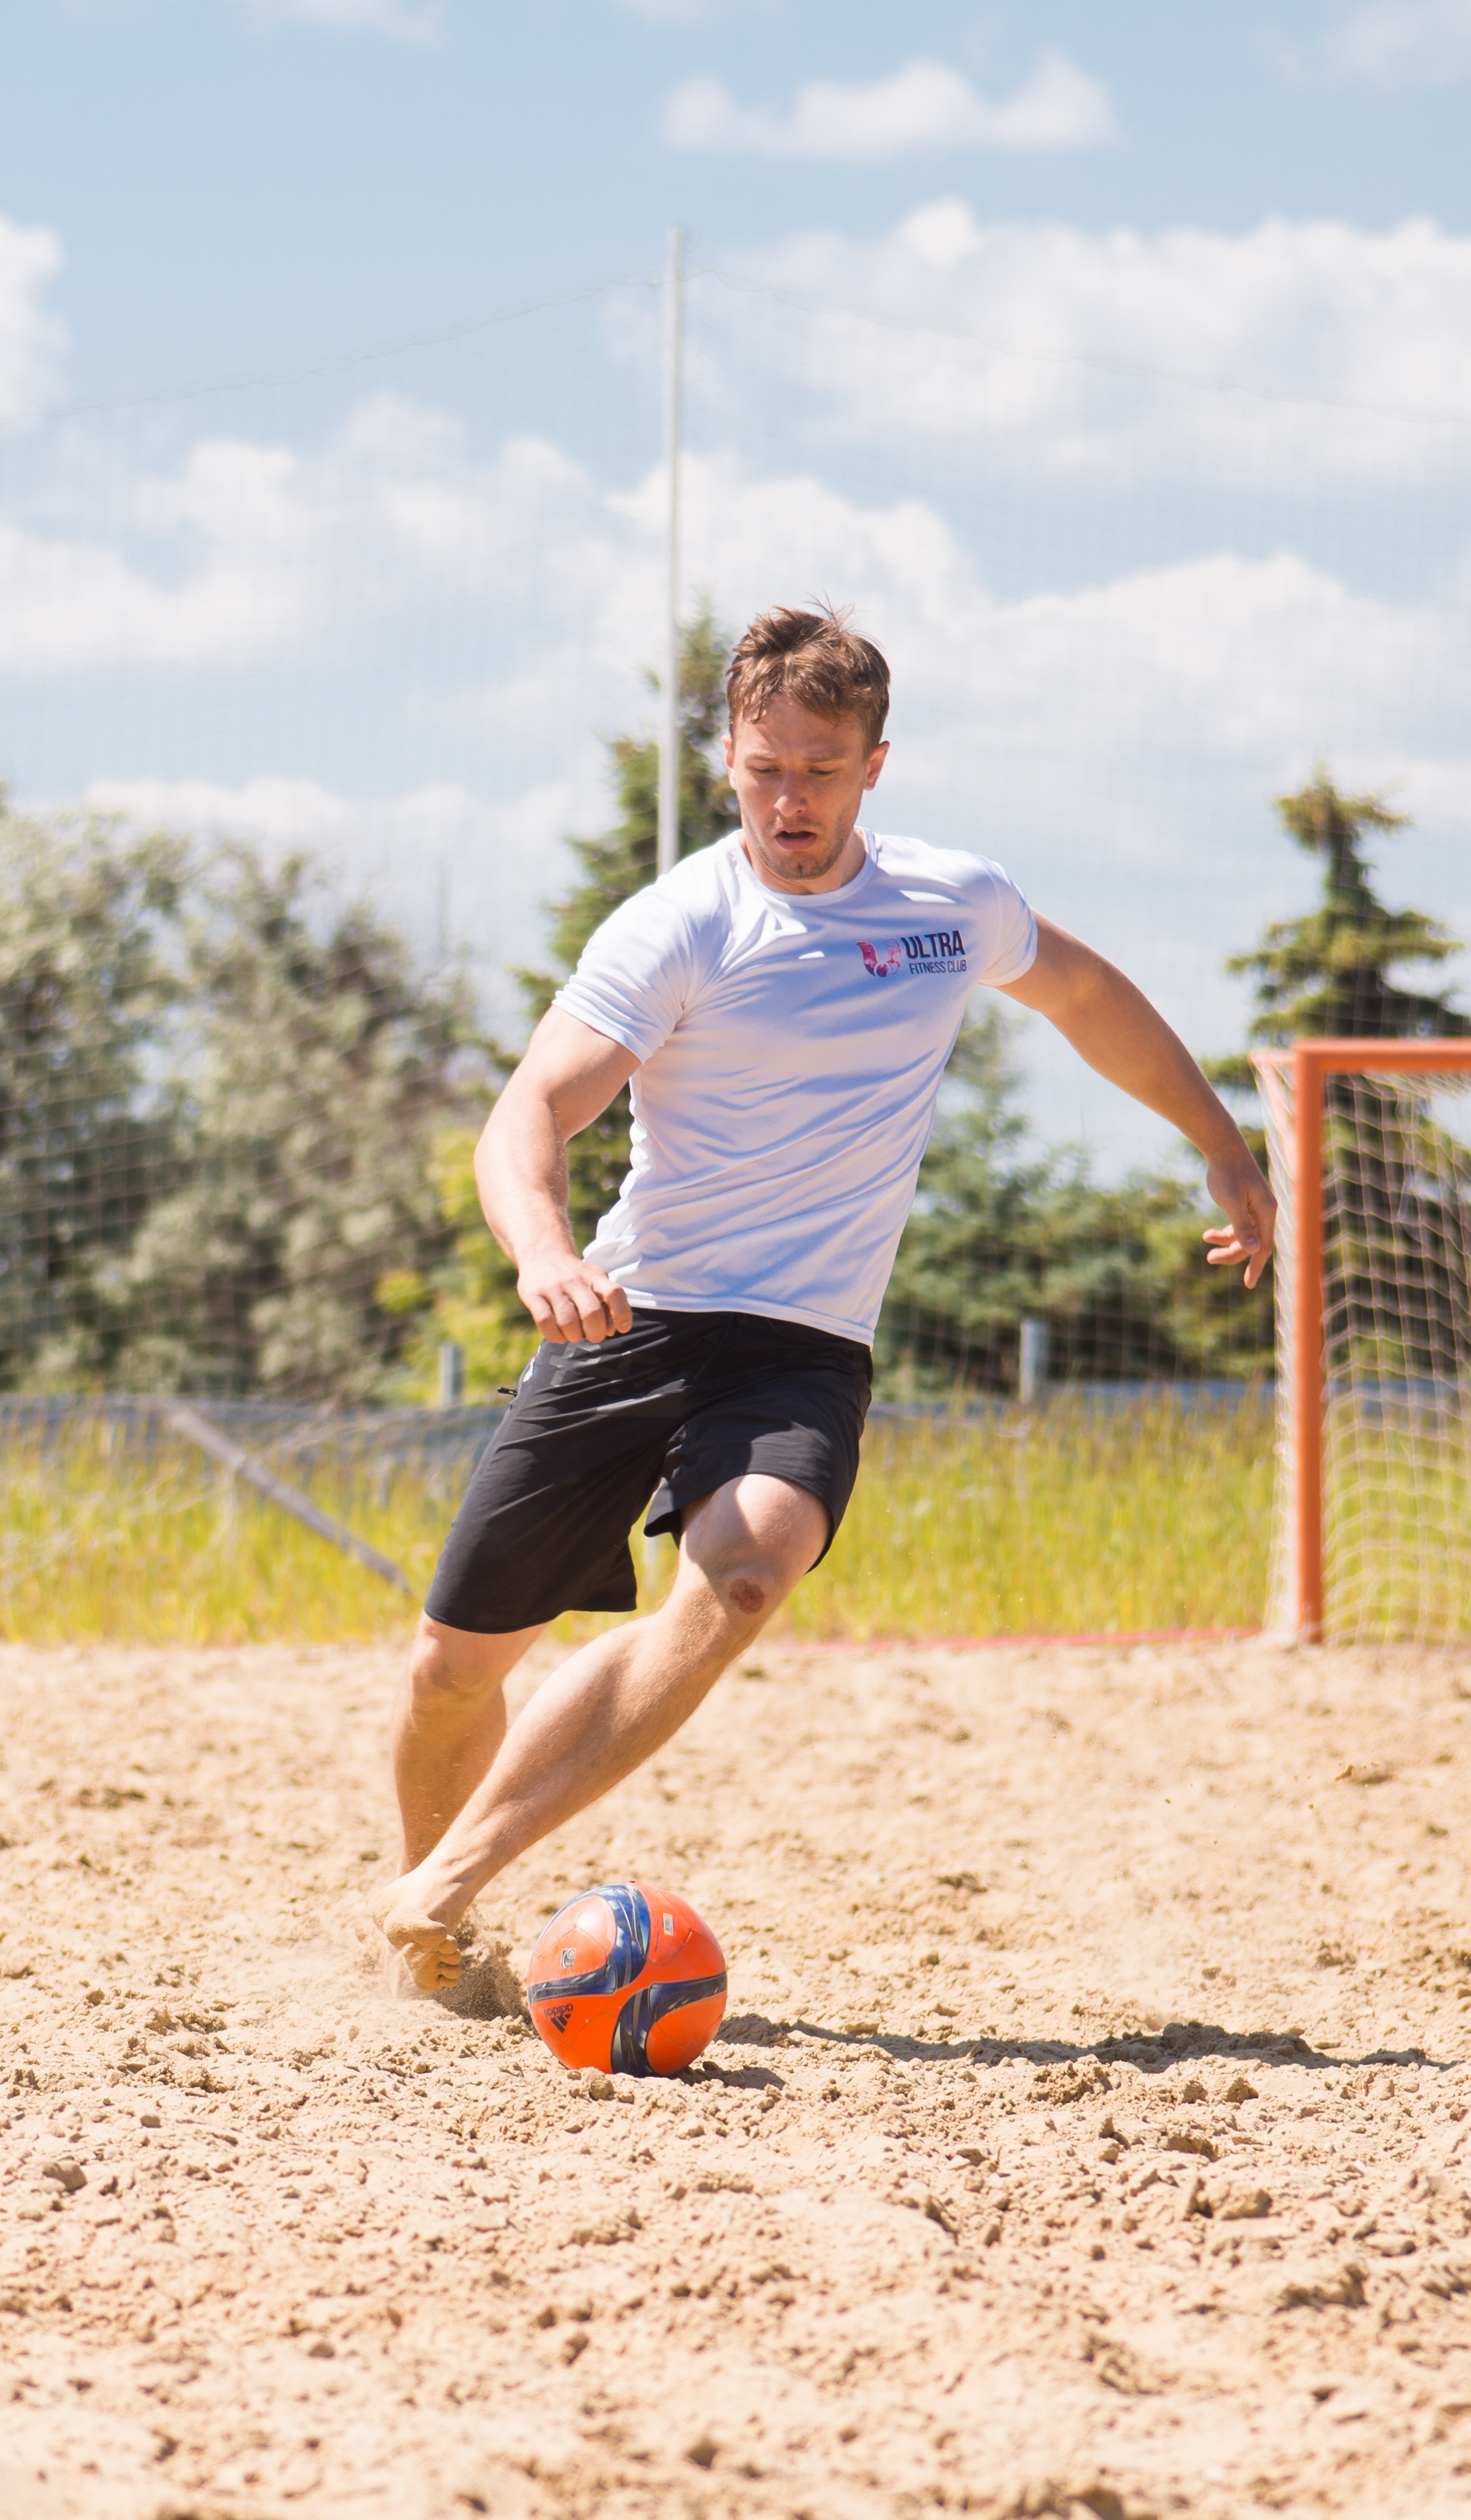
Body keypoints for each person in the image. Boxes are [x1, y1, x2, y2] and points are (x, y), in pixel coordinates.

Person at [375, 603, 1274, 1998]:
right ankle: (439, 1943)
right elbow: (526, 1116)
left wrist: (1218, 1142)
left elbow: (1086, 995)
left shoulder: (944, 906)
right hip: (633, 1312)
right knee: (451, 1665)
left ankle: (447, 1879)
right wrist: (542, 1249)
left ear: (873, 765)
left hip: (798, 1347)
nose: (786, 799)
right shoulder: (680, 921)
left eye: (819, 767)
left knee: (743, 1572)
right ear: (727, 756)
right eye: (761, 768)